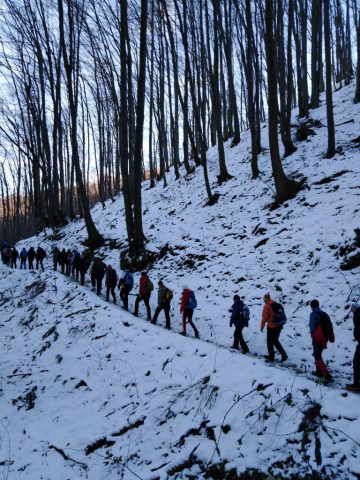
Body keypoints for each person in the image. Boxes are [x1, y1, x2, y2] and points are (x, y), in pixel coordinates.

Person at [309, 299, 333, 383]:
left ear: (311, 306)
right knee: (318, 354)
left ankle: (326, 375)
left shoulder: (313, 314)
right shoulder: (325, 314)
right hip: (325, 337)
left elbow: (312, 327)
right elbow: (330, 325)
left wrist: (313, 335)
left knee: (317, 355)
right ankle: (318, 372)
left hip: (318, 337)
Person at [260, 293, 288, 362]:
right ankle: (283, 354)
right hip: (279, 325)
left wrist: (262, 327)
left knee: (269, 342)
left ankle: (271, 357)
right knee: (275, 340)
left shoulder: (267, 306)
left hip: (271, 326)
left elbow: (264, 317)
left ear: (265, 299)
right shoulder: (275, 304)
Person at [347, 303, 360, 392]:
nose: (352, 312)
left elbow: (358, 329)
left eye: (352, 310)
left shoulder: (357, 316)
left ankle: (356, 385)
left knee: (356, 363)